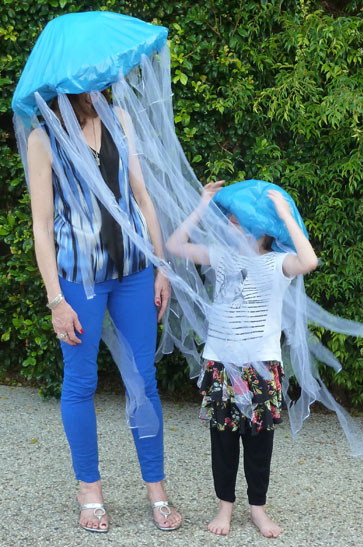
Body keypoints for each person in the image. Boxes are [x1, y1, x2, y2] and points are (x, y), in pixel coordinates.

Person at [27, 92, 182, 533]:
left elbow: (142, 197)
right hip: (79, 278)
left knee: (143, 380)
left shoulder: (119, 118)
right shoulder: (43, 139)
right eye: (88, 83)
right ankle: (89, 490)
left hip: (135, 271)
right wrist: (56, 300)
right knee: (80, 382)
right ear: (67, 88)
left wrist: (161, 266)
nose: (99, 88)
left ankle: (156, 487)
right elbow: (40, 226)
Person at [167, 181, 318, 538]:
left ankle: (258, 510)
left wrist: (285, 214)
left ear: (258, 228)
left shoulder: (278, 263)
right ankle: (225, 507)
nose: (229, 225)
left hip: (261, 367)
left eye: (236, 221)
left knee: (259, 440)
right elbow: (175, 246)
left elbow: (309, 260)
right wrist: (202, 203)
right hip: (221, 363)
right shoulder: (223, 256)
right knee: (222, 438)